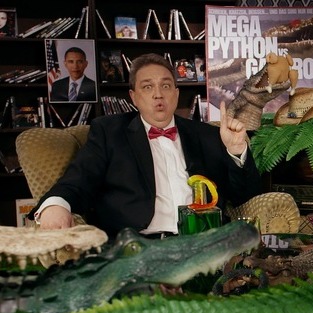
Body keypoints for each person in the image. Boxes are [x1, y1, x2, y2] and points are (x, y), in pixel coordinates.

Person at [31, 53, 263, 239]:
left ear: (176, 93)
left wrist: (236, 151)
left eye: (166, 86)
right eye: (148, 87)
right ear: (133, 96)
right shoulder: (109, 132)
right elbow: (79, 179)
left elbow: (245, 196)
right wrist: (56, 205)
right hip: (138, 248)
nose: (158, 95)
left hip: (204, 243)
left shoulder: (208, 134)